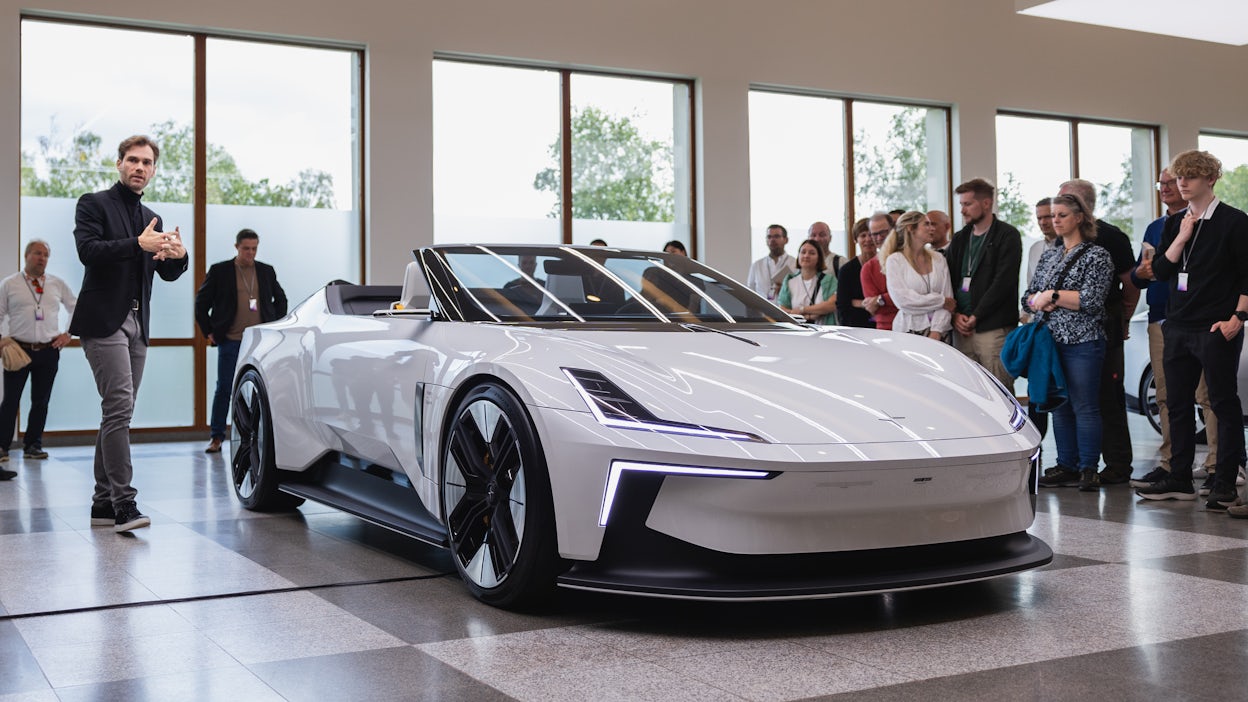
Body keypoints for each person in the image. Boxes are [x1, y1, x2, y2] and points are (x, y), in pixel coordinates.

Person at [71, 135, 188, 532]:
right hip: (104, 322)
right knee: (119, 407)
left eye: (147, 162)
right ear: (119, 164)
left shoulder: (150, 216)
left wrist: (178, 256)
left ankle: (102, 502)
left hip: (139, 325)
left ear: (153, 170)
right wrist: (135, 243)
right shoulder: (93, 203)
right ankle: (125, 504)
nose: (140, 167)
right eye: (133, 160)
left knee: (118, 413)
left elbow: (164, 271)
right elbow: (89, 251)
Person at [1136, 151, 1248, 512]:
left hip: (1216, 326)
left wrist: (1238, 317)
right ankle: (1180, 477)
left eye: (1191, 177)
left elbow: (1247, 274)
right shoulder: (1176, 223)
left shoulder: (1234, 221)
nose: (1182, 183)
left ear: (1210, 180)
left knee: (1221, 402)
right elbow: (1163, 273)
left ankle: (1225, 482)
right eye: (1179, 177)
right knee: (1177, 404)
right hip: (1178, 324)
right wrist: (1181, 236)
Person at [1129, 169, 1223, 492]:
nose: (1167, 188)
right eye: (1163, 183)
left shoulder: (1208, 222)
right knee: (1168, 396)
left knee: (1207, 395)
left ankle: (1218, 465)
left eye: (1174, 182)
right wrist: (1145, 271)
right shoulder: (1158, 226)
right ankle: (1172, 463)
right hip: (1162, 317)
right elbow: (1140, 275)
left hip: (1200, 319)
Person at [1028, 193, 1114, 491]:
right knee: (1059, 405)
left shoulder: (1096, 255)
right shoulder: (1049, 254)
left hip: (1083, 340)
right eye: (1053, 215)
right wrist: (1041, 299)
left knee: (1085, 405)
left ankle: (1089, 467)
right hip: (1050, 342)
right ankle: (1067, 464)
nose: (1055, 220)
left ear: (1079, 217)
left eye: (1062, 214)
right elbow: (1029, 296)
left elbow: (1091, 300)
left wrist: (1051, 296)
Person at [1058, 179, 1139, 485]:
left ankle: (1117, 465)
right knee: (1071, 399)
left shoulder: (1111, 237)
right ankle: (1075, 463)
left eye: (1067, 200)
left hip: (1104, 328)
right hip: (1066, 331)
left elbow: (1130, 283)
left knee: (1108, 398)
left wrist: (1124, 319)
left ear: (1084, 205)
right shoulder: (1060, 240)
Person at [195, 229, 288, 454]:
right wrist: (209, 331)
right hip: (231, 339)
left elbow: (281, 299)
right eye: (246, 248)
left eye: (254, 249)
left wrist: (274, 326)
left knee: (261, 390)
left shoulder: (266, 271)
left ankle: (254, 437)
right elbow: (201, 303)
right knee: (225, 388)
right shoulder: (220, 271)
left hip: (260, 342)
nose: (250, 253)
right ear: (236, 247)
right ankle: (217, 437)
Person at [0, 240, 76, 465]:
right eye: (37, 253)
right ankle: (2, 446)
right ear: (26, 256)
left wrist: (68, 334)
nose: (41, 258)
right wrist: (2, 339)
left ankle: (33, 445)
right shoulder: (10, 284)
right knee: (11, 401)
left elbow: (75, 306)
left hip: (48, 351)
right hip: (18, 350)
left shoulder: (56, 284)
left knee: (41, 401)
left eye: (45, 254)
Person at [946, 178, 1022, 390]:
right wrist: (955, 315)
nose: (962, 210)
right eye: (961, 204)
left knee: (998, 389)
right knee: (969, 389)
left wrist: (976, 315)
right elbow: (950, 280)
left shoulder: (1007, 235)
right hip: (961, 327)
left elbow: (1003, 281)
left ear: (986, 203)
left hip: (993, 326)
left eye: (968, 204)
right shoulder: (961, 238)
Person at [883, 211, 954, 340]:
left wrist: (936, 331)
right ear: (911, 228)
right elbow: (904, 302)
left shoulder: (939, 258)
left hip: (940, 333)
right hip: (907, 332)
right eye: (926, 224)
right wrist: (941, 301)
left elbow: (949, 299)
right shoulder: (895, 260)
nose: (931, 228)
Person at [1024, 198, 1059, 442]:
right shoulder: (1036, 248)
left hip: (1061, 326)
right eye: (1039, 218)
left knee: (1058, 394)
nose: (1044, 222)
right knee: (1037, 392)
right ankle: (1036, 447)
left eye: (1048, 216)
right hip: (1037, 326)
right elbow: (1030, 288)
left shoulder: (1070, 247)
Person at [777, 238, 837, 325]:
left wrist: (801, 310)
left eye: (812, 253)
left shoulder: (829, 280)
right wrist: (810, 316)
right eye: (803, 252)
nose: (806, 256)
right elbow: (783, 310)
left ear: (819, 258)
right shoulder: (789, 281)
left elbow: (831, 305)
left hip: (824, 332)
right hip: (797, 333)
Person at [835, 219, 876, 328]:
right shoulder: (847, 270)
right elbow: (842, 304)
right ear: (855, 239)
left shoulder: (887, 264)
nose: (868, 239)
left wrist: (857, 302)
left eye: (871, 235)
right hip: (856, 327)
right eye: (863, 236)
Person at [861, 213, 899, 330]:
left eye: (883, 232)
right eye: (874, 234)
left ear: (893, 229)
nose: (879, 237)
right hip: (885, 328)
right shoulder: (868, 268)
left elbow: (918, 295)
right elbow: (873, 308)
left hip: (917, 325)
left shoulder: (908, 259)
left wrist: (881, 299)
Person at [746, 224, 797, 301]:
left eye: (776, 236)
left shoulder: (795, 263)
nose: (772, 240)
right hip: (762, 310)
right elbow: (750, 292)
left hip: (787, 310)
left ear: (786, 240)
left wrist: (785, 289)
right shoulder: (757, 265)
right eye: (769, 237)